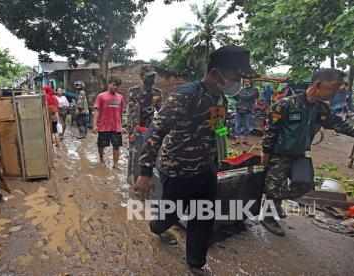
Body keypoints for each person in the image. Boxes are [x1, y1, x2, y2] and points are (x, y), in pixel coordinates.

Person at [136, 45, 259, 272]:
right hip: (178, 170)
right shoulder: (186, 95)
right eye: (236, 76)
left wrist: (221, 156)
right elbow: (156, 131)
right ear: (215, 74)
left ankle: (196, 263)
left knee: (203, 217)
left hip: (206, 168)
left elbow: (219, 127)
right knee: (168, 217)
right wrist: (145, 172)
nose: (239, 81)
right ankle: (157, 226)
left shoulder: (220, 97)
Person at [261, 68, 354, 236]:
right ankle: (268, 216)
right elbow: (270, 130)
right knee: (273, 187)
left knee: (305, 185)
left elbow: (341, 125)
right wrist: (266, 154)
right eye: (333, 87)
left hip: (299, 155)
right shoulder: (286, 104)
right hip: (279, 154)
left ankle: (276, 202)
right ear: (318, 84)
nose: (335, 93)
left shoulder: (321, 109)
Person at [127, 64, 162, 185]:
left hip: (151, 131)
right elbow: (131, 114)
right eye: (149, 76)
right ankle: (132, 182)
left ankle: (146, 182)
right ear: (141, 76)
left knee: (150, 155)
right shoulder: (134, 92)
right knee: (134, 157)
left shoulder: (157, 93)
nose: (152, 79)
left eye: (153, 76)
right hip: (137, 130)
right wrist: (131, 133)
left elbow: (161, 112)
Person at [92, 76, 126, 169]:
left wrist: (122, 126)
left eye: (117, 86)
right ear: (109, 84)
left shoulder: (120, 97)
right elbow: (97, 110)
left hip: (116, 127)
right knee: (101, 145)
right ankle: (101, 158)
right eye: (114, 85)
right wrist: (95, 125)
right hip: (103, 126)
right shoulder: (101, 96)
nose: (115, 87)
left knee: (116, 146)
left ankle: (115, 164)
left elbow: (121, 112)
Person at [233, 79, 259, 145]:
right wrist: (237, 94)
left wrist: (238, 93)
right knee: (237, 125)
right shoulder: (241, 89)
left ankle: (245, 139)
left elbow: (247, 97)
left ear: (250, 82)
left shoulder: (254, 90)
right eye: (245, 81)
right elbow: (235, 97)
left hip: (248, 110)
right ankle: (237, 139)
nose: (245, 83)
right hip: (239, 109)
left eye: (247, 81)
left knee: (247, 126)